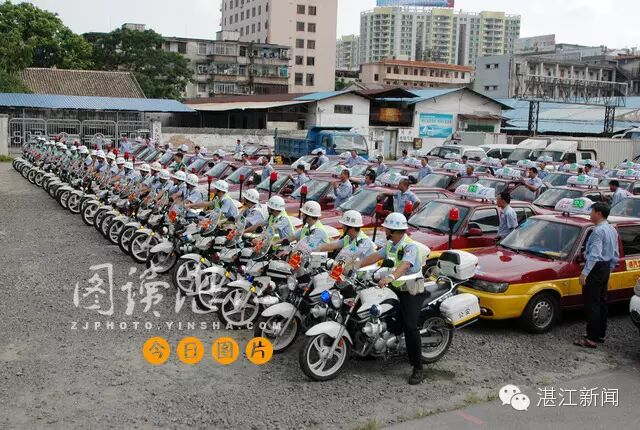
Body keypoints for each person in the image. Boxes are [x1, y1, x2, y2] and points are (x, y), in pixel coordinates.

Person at [357, 213, 427, 385]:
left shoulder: (410, 247)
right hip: (394, 288)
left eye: (386, 228)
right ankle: (373, 346)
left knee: (410, 326)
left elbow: (405, 265)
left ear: (393, 231)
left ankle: (418, 367)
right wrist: (355, 265)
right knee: (372, 309)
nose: (384, 230)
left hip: (410, 291)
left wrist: (391, 277)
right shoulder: (391, 244)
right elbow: (375, 256)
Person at [574, 202, 619, 349]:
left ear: (598, 213)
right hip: (605, 267)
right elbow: (615, 253)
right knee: (601, 302)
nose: (590, 214)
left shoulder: (598, 231)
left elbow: (594, 254)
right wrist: (609, 269)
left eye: (592, 211)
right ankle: (600, 334)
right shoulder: (612, 229)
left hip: (596, 268)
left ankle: (591, 338)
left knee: (592, 303)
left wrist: (584, 273)